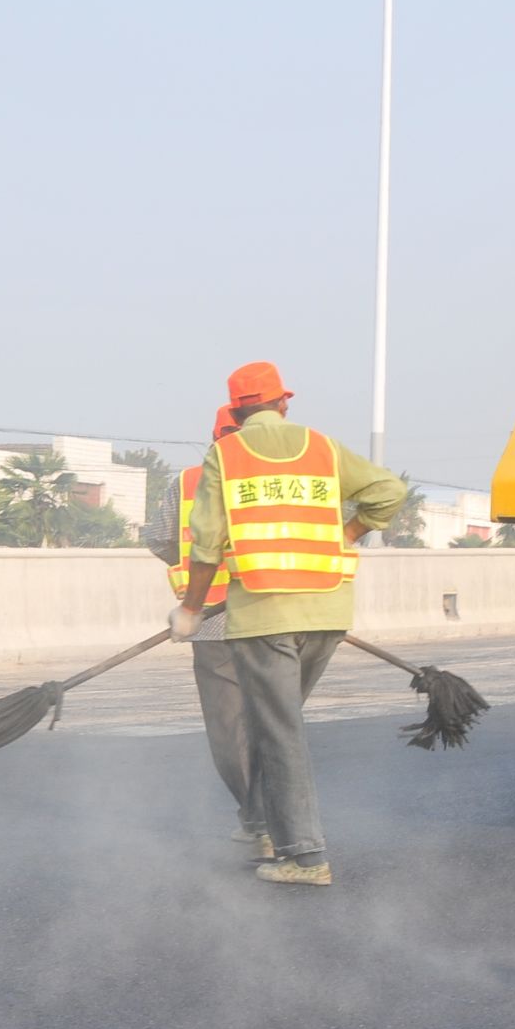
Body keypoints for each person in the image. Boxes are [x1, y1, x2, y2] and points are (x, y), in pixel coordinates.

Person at [171, 362, 408, 886]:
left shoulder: (225, 454)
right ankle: (258, 821)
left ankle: (305, 856)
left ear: (235, 411)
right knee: (274, 722)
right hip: (328, 611)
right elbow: (389, 490)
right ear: (283, 403)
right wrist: (348, 531)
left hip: (263, 614)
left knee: (279, 732)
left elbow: (205, 543)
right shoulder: (322, 448)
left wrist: (189, 610)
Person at [143, 408, 263, 854]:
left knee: (230, 727)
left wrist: (194, 592)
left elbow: (158, 539)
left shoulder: (190, 480)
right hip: (275, 621)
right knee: (276, 723)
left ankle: (257, 819)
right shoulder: (280, 479)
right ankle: (282, 820)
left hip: (213, 623)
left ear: (214, 438)